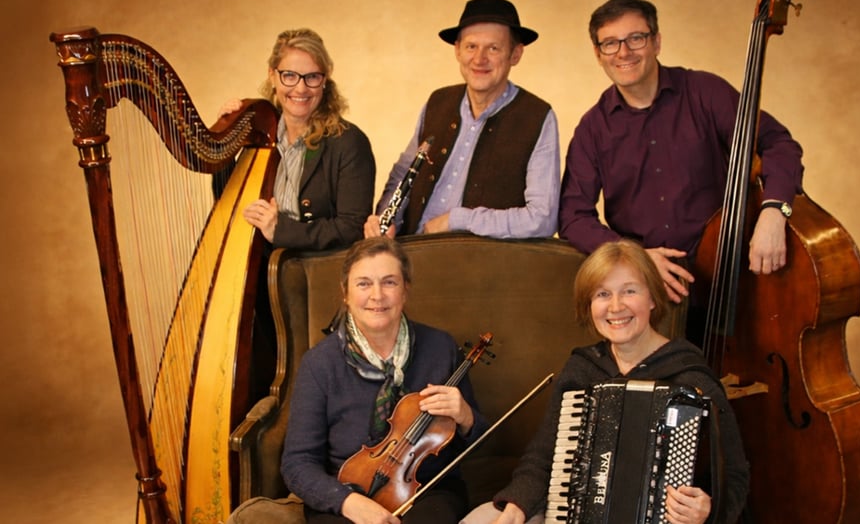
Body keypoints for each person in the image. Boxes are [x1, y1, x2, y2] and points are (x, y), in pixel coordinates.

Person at [461, 240, 749, 524]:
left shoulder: (691, 376)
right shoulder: (583, 369)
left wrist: (708, 511)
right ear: (589, 305)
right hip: (572, 514)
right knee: (482, 520)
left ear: (652, 298)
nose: (615, 306)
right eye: (602, 294)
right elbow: (543, 455)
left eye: (630, 291)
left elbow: (734, 475)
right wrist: (518, 504)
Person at [559, 0, 804, 306]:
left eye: (636, 38)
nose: (623, 52)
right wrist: (635, 258)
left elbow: (778, 143)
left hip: (733, 273)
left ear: (656, 42)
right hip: (650, 294)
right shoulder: (592, 129)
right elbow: (572, 217)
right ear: (598, 53)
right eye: (610, 43)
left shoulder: (706, 92)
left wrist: (774, 211)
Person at [281, 237, 491, 524]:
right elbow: (297, 463)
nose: (377, 295)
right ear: (345, 292)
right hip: (346, 495)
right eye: (364, 283)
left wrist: (466, 417)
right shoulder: (319, 364)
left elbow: (476, 445)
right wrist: (348, 502)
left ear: (405, 290)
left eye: (389, 282)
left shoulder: (440, 348)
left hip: (427, 492)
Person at [363, 0, 559, 240]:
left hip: (481, 267)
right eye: (471, 46)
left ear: (515, 54)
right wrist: (386, 219)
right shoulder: (437, 102)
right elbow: (403, 174)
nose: (479, 59)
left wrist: (458, 219)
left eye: (493, 48)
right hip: (413, 253)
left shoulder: (538, 116)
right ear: (457, 50)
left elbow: (542, 219)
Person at [222, 28, 376, 250]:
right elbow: (228, 200)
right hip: (262, 267)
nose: (301, 88)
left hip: (316, 275)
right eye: (289, 76)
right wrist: (225, 137)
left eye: (312, 76)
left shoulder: (348, 142)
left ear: (325, 79)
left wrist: (281, 230)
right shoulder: (262, 134)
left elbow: (352, 228)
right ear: (272, 76)